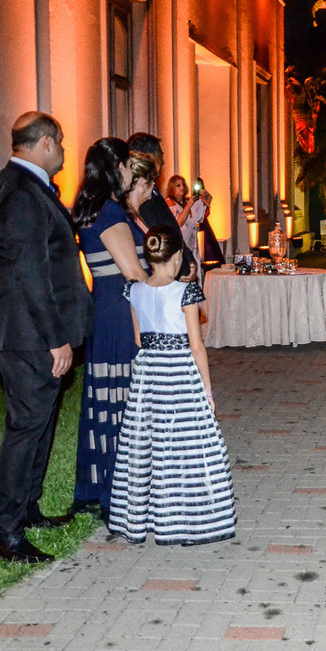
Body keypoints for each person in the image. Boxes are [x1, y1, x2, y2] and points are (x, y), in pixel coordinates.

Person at [0, 111, 92, 563]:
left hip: (25, 333)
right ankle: (2, 532)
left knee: (39, 422)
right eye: (61, 142)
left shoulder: (18, 186)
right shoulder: (22, 194)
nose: (64, 151)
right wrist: (55, 338)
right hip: (29, 336)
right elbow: (31, 274)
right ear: (45, 143)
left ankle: (26, 510)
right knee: (26, 428)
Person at [107, 226, 236, 546]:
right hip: (179, 375)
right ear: (178, 256)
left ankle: (144, 516)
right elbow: (197, 345)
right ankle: (190, 517)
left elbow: (139, 339)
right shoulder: (185, 292)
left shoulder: (133, 290)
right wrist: (207, 391)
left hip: (149, 377)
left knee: (148, 445)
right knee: (190, 445)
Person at [70, 137, 149, 520]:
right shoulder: (110, 214)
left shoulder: (97, 209)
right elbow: (133, 272)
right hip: (120, 311)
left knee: (107, 397)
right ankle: (117, 490)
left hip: (107, 306)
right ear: (115, 167)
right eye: (127, 164)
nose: (131, 171)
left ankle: (103, 484)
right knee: (122, 398)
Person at [128, 133, 196, 280]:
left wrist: (188, 258)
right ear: (148, 157)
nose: (163, 162)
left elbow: (172, 228)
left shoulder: (153, 191)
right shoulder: (140, 198)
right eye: (160, 155)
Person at [164, 174, 210, 279]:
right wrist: (189, 205)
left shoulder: (188, 201)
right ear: (172, 188)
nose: (182, 188)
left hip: (192, 244)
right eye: (178, 185)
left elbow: (208, 201)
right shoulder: (169, 203)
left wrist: (201, 189)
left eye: (183, 185)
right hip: (180, 245)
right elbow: (178, 223)